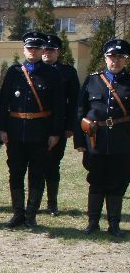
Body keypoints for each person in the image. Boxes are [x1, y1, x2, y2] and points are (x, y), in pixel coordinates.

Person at [0, 31, 64, 228]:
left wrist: (55, 133)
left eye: (36, 48)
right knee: (15, 172)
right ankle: (18, 212)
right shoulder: (14, 72)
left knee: (37, 172)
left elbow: (59, 107)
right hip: (16, 130)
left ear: (43, 49)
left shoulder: (52, 74)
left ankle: (31, 214)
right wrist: (1, 128)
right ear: (24, 49)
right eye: (29, 48)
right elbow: (3, 103)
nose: (32, 51)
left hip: (40, 131)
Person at [73, 39, 130, 237]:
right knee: (96, 180)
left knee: (118, 181)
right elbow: (81, 110)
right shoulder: (93, 80)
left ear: (126, 60)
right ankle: (93, 222)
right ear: (105, 58)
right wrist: (80, 142)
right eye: (112, 57)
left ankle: (114, 224)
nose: (116, 61)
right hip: (95, 140)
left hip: (122, 141)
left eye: (121, 57)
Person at [41, 34, 80, 215]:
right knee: (35, 164)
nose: (47, 52)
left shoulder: (67, 72)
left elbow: (74, 102)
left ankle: (52, 202)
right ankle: (33, 202)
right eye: (45, 49)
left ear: (58, 52)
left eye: (51, 50)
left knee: (52, 164)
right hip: (35, 124)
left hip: (58, 125)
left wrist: (70, 126)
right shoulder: (32, 70)